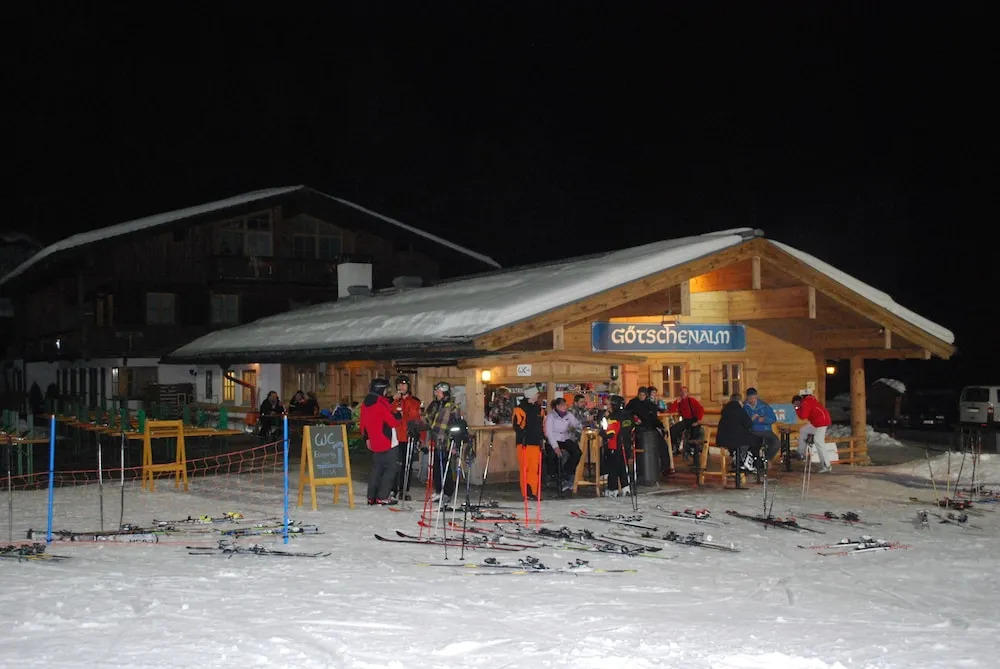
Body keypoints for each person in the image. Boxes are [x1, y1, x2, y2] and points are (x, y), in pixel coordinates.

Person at [359, 378, 401, 505]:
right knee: (391, 469)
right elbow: (392, 422)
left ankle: (371, 497)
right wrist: (399, 415)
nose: (386, 392)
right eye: (385, 389)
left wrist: (367, 438)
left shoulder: (366, 403)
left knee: (377, 468)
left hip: (374, 440)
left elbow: (362, 424)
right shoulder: (381, 403)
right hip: (387, 441)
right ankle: (382, 496)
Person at [425, 382, 459, 502]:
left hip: (446, 441)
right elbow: (429, 419)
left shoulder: (452, 407)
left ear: (445, 393)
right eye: (436, 392)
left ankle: (447, 492)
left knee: (445, 467)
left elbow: (456, 426)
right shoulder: (436, 405)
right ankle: (439, 490)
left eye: (438, 392)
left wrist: (454, 444)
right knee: (436, 467)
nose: (436, 394)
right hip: (436, 439)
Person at [391, 375, 424, 500]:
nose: (401, 387)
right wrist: (393, 401)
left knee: (407, 465)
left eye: (404, 385)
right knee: (394, 464)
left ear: (408, 386)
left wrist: (421, 438)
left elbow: (419, 420)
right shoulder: (392, 401)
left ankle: (404, 490)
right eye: (399, 385)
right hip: (395, 437)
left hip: (408, 437)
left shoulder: (415, 401)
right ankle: (392, 489)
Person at [544, 397, 584, 493]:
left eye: (566, 405)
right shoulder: (551, 417)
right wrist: (555, 446)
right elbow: (549, 433)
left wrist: (583, 425)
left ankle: (567, 472)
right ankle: (553, 475)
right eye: (563, 405)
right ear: (557, 406)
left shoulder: (568, 415)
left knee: (577, 452)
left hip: (564, 438)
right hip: (554, 439)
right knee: (553, 455)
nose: (565, 407)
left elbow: (576, 423)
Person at [512, 385, 544, 501]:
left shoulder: (539, 409)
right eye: (536, 393)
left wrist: (542, 437)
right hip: (524, 443)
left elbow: (542, 425)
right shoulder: (520, 409)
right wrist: (525, 434)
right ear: (531, 395)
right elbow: (516, 426)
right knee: (525, 469)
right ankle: (527, 493)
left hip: (536, 443)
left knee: (535, 469)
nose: (538, 395)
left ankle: (534, 492)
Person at [717, 393, 760, 476]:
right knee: (755, 440)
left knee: (743, 441)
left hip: (722, 439)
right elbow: (748, 424)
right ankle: (745, 461)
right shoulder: (740, 410)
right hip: (736, 439)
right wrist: (753, 418)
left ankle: (737, 458)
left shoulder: (725, 410)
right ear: (740, 401)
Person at [793, 393, 833, 473]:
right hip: (817, 422)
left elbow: (803, 416)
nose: (795, 406)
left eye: (795, 404)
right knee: (804, 430)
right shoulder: (808, 401)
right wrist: (798, 408)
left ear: (798, 401)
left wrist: (797, 408)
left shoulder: (805, 403)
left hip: (821, 422)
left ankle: (826, 465)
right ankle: (801, 453)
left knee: (818, 442)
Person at [602, 395, 631, 497]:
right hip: (626, 445)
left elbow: (610, 433)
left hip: (615, 445)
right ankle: (625, 488)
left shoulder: (613, 417)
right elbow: (632, 427)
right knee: (623, 467)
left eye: (609, 404)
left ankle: (612, 489)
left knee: (613, 468)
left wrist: (602, 431)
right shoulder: (628, 415)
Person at [743, 388, 781, 462]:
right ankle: (751, 461)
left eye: (753, 398)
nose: (752, 400)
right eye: (750, 398)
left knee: (776, 443)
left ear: (756, 396)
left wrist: (764, 419)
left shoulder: (764, 406)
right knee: (748, 444)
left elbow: (773, 419)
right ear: (747, 398)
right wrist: (751, 419)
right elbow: (743, 422)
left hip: (765, 430)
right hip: (752, 431)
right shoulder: (744, 408)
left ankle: (767, 459)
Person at [667, 386, 705, 455]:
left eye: (685, 392)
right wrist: (676, 402)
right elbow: (671, 411)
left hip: (694, 420)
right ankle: (675, 447)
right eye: (682, 392)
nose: (683, 393)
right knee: (673, 430)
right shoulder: (679, 401)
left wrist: (698, 421)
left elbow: (700, 409)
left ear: (687, 393)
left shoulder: (692, 400)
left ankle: (693, 450)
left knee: (695, 433)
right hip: (686, 421)